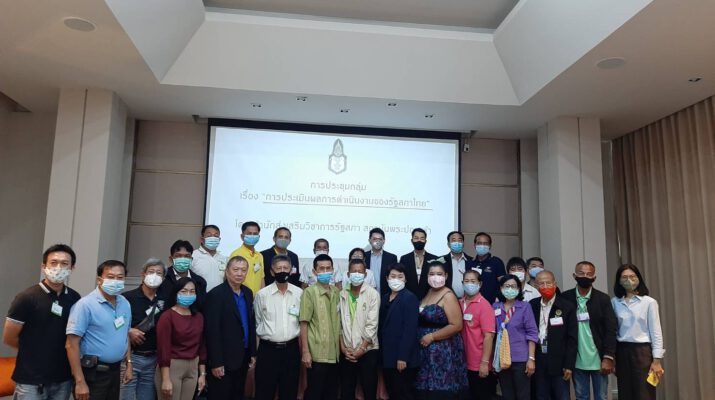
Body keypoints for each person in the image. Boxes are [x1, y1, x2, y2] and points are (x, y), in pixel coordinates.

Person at [3, 244, 81, 400]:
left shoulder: (75, 298)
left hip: (62, 378)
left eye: (64, 263)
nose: (58, 268)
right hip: (31, 379)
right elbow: (9, 338)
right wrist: (35, 351)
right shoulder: (26, 298)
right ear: (44, 266)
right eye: (53, 263)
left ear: (72, 268)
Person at [66, 260, 133, 400]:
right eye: (110, 277)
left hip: (115, 372)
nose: (115, 281)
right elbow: (71, 344)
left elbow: (125, 335)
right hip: (92, 374)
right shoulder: (85, 305)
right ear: (99, 280)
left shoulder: (125, 303)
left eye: (120, 277)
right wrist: (80, 382)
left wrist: (129, 363)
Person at [561, 261, 617, 400]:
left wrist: (608, 357)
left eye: (589, 274)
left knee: (601, 397)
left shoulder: (603, 299)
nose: (585, 276)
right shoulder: (565, 298)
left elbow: (610, 329)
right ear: (574, 275)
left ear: (594, 278)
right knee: (581, 396)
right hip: (577, 359)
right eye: (581, 273)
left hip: (599, 359)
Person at [204, 256, 257, 400]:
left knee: (238, 395)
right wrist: (216, 362)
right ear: (227, 272)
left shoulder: (248, 293)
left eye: (243, 270)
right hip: (223, 359)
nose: (240, 273)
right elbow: (212, 331)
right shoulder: (215, 295)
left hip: (243, 356)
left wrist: (252, 352)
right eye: (236, 269)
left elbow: (251, 324)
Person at [415, 260, 468, 399]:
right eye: (432, 274)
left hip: (443, 352)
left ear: (446, 275)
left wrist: (432, 336)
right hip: (425, 352)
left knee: (441, 390)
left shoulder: (448, 296)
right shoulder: (428, 292)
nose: (435, 277)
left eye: (439, 274)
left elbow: (456, 325)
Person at [253, 255, 303, 400]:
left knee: (289, 392)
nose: (282, 271)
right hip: (268, 351)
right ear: (272, 271)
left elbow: (301, 322)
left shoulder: (299, 294)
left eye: (285, 268)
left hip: (291, 351)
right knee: (264, 392)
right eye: (278, 268)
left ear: (291, 271)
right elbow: (258, 322)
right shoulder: (262, 295)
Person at [611, 264, 664, 400]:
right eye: (624, 277)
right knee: (625, 393)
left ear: (638, 278)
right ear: (619, 281)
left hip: (642, 352)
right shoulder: (614, 302)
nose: (629, 280)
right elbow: (613, 331)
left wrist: (656, 361)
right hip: (622, 351)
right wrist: (613, 357)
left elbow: (656, 332)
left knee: (644, 393)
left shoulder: (649, 302)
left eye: (632, 276)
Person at [120, 258, 167, 400]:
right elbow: (116, 325)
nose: (154, 275)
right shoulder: (127, 298)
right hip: (131, 357)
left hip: (153, 360)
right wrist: (128, 330)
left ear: (163, 278)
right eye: (151, 271)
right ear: (143, 274)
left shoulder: (165, 300)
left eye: (159, 273)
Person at [155, 277, 207, 400]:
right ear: (176, 293)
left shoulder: (199, 317)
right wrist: (165, 379)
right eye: (184, 291)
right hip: (172, 366)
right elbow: (163, 349)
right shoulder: (167, 316)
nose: (188, 294)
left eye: (192, 291)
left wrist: (202, 374)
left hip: (193, 366)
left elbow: (202, 346)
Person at [529, 270, 577, 400]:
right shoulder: (532, 305)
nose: (545, 286)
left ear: (555, 284)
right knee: (541, 395)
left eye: (548, 283)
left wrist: (569, 365)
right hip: (539, 358)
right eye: (541, 283)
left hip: (559, 361)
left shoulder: (567, 306)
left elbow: (572, 339)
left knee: (561, 395)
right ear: (536, 286)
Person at [299, 254, 341, 400]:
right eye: (321, 269)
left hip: (335, 354)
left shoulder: (336, 292)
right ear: (314, 271)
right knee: (314, 392)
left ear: (333, 270)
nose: (325, 271)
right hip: (317, 353)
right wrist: (305, 352)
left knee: (331, 393)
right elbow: (303, 323)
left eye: (328, 268)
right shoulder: (309, 292)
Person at [338, 259, 380, 400]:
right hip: (347, 351)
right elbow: (339, 324)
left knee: (369, 390)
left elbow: (372, 324)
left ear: (365, 274)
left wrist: (361, 349)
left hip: (368, 350)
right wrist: (343, 348)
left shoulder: (373, 294)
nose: (357, 274)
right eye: (354, 271)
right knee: (347, 391)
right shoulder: (342, 294)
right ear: (348, 274)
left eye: (360, 272)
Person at [493, 274, 538, 400]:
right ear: (501, 288)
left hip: (521, 359)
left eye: (513, 286)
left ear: (519, 289)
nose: (510, 289)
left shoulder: (525, 307)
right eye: (507, 286)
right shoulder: (495, 307)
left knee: (522, 395)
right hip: (502, 358)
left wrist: (531, 359)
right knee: (507, 395)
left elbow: (532, 333)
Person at [379, 264, 420, 400]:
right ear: (387, 278)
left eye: (400, 277)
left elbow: (410, 330)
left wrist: (403, 357)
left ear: (406, 279)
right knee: (392, 392)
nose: (396, 279)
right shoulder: (385, 297)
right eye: (393, 276)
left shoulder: (409, 298)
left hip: (402, 358)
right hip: (387, 356)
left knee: (403, 393)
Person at [459, 269, 496, 400]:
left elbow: (489, 336)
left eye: (473, 281)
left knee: (480, 394)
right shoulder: (459, 303)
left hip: (479, 361)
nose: (469, 284)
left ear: (480, 284)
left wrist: (485, 363)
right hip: (462, 360)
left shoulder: (484, 305)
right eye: (466, 281)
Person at [158, 240, 208, 311]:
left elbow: (201, 307)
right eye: (178, 256)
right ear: (171, 259)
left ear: (191, 259)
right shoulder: (162, 278)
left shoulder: (200, 282)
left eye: (187, 256)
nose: (183, 259)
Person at [398, 228, 437, 298]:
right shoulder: (404, 258)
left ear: (425, 241)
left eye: (422, 238)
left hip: (429, 297)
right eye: (416, 238)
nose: (419, 240)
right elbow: (401, 279)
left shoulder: (434, 259)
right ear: (412, 240)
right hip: (408, 297)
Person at [229, 221, 265, 295]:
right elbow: (230, 279)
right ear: (242, 236)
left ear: (259, 236)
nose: (252, 236)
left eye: (255, 234)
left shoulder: (259, 256)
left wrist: (263, 296)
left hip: (257, 298)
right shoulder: (236, 254)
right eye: (249, 233)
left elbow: (261, 278)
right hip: (241, 296)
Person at [470, 232, 506, 303]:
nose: (482, 246)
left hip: (492, 303)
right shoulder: (470, 262)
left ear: (490, 246)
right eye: (479, 243)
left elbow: (503, 283)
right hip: (474, 302)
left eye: (485, 243)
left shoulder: (496, 262)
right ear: (474, 245)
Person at [191, 224, 229, 291]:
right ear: (202, 239)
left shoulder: (224, 258)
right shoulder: (193, 256)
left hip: (219, 296)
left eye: (216, 236)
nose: (213, 238)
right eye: (209, 236)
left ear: (219, 239)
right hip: (200, 296)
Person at [364, 228, 398, 295]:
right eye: (374, 239)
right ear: (369, 240)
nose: (377, 241)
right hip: (366, 295)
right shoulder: (364, 257)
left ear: (384, 241)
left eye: (380, 239)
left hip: (386, 296)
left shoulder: (392, 258)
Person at [440, 231, 473, 298]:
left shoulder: (471, 261)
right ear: (448, 244)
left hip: (468, 299)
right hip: (447, 299)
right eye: (453, 240)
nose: (457, 243)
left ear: (463, 243)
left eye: (460, 240)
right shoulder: (442, 261)